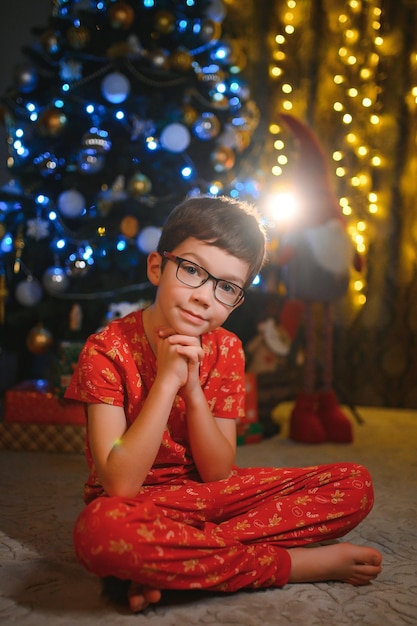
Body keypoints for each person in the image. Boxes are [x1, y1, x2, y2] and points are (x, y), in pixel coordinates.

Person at [65, 195, 382, 614]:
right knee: (101, 532)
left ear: (237, 300)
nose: (204, 297)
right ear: (157, 267)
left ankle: (167, 562)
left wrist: (193, 391)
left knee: (354, 483)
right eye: (193, 270)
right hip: (139, 504)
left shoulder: (227, 348)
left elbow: (218, 472)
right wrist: (166, 382)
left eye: (227, 287)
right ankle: (290, 565)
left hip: (214, 498)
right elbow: (119, 485)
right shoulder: (105, 351)